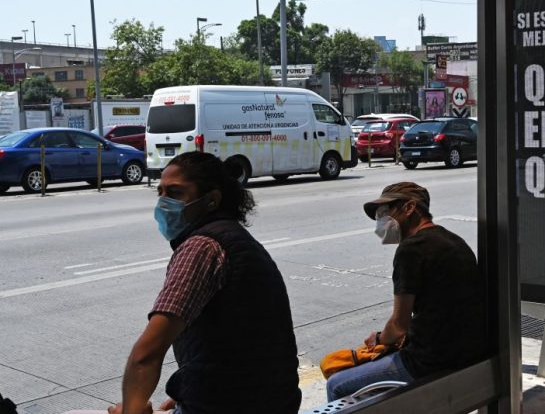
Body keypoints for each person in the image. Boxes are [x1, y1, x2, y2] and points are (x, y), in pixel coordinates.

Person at [65, 151, 301, 414]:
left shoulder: (203, 247)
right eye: (161, 193)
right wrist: (188, 393)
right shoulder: (236, 239)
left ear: (211, 200)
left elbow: (145, 356)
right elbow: (242, 344)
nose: (164, 203)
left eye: (175, 193)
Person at [325, 182, 486, 401]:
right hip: (468, 353)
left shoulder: (411, 249)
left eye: (385, 212)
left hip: (431, 361)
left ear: (410, 207)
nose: (381, 221)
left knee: (337, 385)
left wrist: (380, 337)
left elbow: (398, 326)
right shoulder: (453, 240)